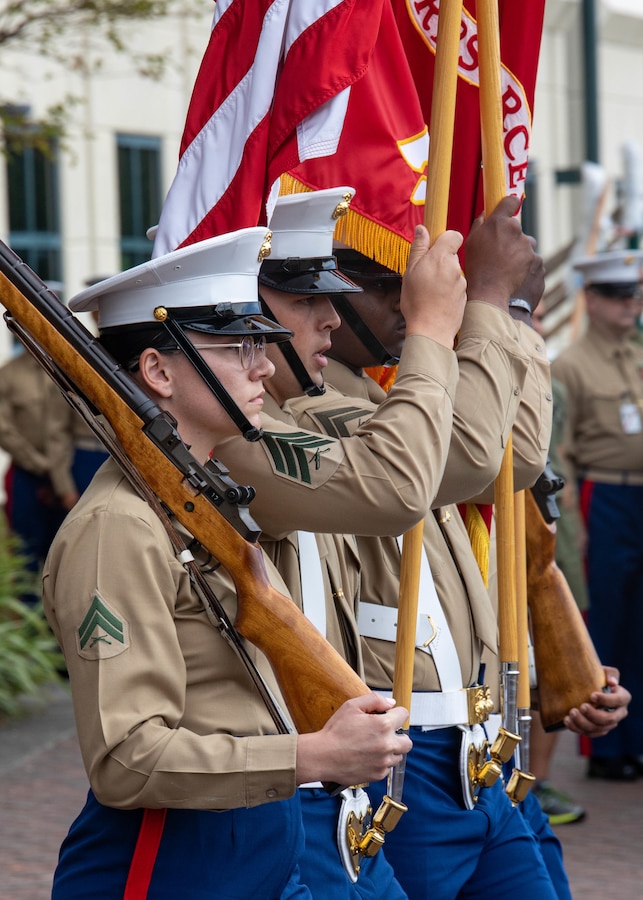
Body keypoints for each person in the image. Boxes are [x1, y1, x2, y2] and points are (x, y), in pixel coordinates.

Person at [41, 226, 415, 898]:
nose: (265, 366)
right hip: (171, 860)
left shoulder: (205, 495)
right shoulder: (117, 527)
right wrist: (312, 756)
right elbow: (127, 760)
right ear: (157, 371)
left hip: (261, 839)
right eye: (237, 346)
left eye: (260, 344)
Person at [219, 189, 572, 899]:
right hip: (367, 762)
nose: (333, 313)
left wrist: (500, 315)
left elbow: (509, 456)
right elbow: (446, 467)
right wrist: (466, 315)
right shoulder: (246, 441)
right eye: (304, 301)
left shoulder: (348, 403)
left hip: (461, 750)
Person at [552, 249, 643, 782]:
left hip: (638, 497)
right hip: (603, 497)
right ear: (591, 299)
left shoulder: (636, 356)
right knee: (605, 620)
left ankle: (638, 737)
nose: (628, 306)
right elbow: (561, 452)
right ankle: (607, 750)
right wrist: (575, 525)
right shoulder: (570, 364)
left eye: (632, 295)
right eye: (615, 296)